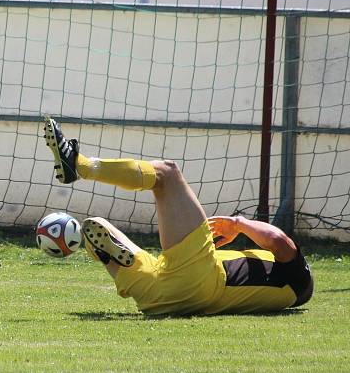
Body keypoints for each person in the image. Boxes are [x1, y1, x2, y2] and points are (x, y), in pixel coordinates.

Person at [43, 116, 314, 316]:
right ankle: (119, 258)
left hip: (204, 279)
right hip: (161, 300)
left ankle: (80, 166)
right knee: (95, 228)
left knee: (167, 174)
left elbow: (279, 240)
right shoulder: (280, 295)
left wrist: (239, 224)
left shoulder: (297, 277)